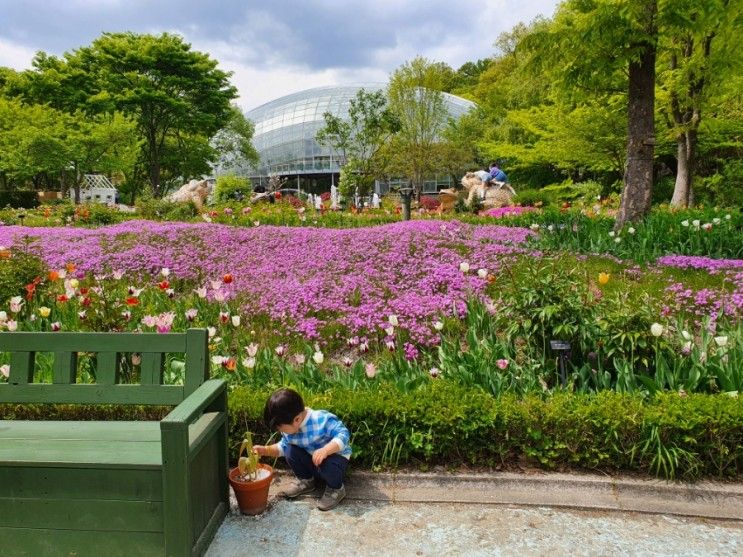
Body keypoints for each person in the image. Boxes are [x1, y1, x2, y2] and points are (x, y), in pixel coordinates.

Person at [253, 388, 351, 511]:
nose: (281, 432)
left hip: (334, 460)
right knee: (290, 450)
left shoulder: (320, 419)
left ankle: (336, 489)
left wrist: (326, 450)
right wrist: (265, 450)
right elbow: (282, 447)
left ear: (297, 419)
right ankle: (307, 480)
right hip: (313, 460)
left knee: (328, 465)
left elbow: (343, 434)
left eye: (282, 429)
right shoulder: (292, 427)